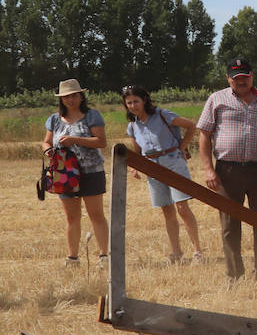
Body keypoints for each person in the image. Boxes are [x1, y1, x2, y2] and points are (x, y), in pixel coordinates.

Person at [197, 58, 257, 279]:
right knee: (229, 225)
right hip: (227, 172)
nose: (241, 81)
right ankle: (234, 275)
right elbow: (204, 136)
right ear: (228, 79)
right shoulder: (216, 100)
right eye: (236, 78)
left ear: (252, 76)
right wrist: (209, 170)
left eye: (245, 76)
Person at [121, 85, 204, 263]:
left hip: (173, 161)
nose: (133, 105)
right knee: (167, 210)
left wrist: (182, 147)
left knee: (182, 208)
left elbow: (191, 126)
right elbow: (137, 149)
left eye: (136, 101)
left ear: (144, 100)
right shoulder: (132, 126)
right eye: (129, 103)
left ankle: (197, 251)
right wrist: (136, 167)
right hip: (152, 166)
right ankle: (176, 253)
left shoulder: (162, 115)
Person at [42, 79, 109, 264]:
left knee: (96, 214)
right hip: (64, 173)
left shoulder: (91, 116)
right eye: (66, 97)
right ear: (61, 99)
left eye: (74, 96)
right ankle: (72, 257)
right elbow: (46, 141)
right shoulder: (54, 119)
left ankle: (104, 256)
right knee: (72, 217)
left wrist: (75, 140)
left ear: (81, 97)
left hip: (91, 171)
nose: (70, 100)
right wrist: (48, 150)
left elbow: (101, 141)